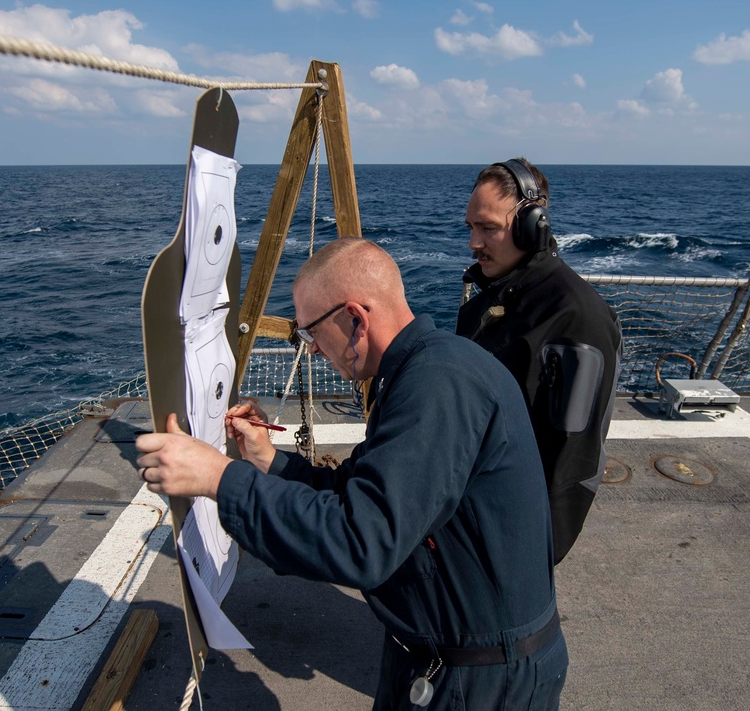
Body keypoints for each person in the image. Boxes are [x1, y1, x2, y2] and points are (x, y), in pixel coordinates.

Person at [137, 238, 567, 710]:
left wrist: (218, 477)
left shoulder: (437, 387)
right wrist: (267, 460)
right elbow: (358, 493)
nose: (314, 351)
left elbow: (360, 540)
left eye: (310, 334)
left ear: (355, 320)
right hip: (449, 658)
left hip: (478, 682)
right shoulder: (423, 370)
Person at [456, 158, 622, 564]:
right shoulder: (489, 300)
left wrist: (531, 553)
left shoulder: (576, 317)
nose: (474, 243)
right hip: (468, 509)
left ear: (534, 225)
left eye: (488, 228)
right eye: (471, 228)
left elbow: (570, 458)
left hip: (508, 536)